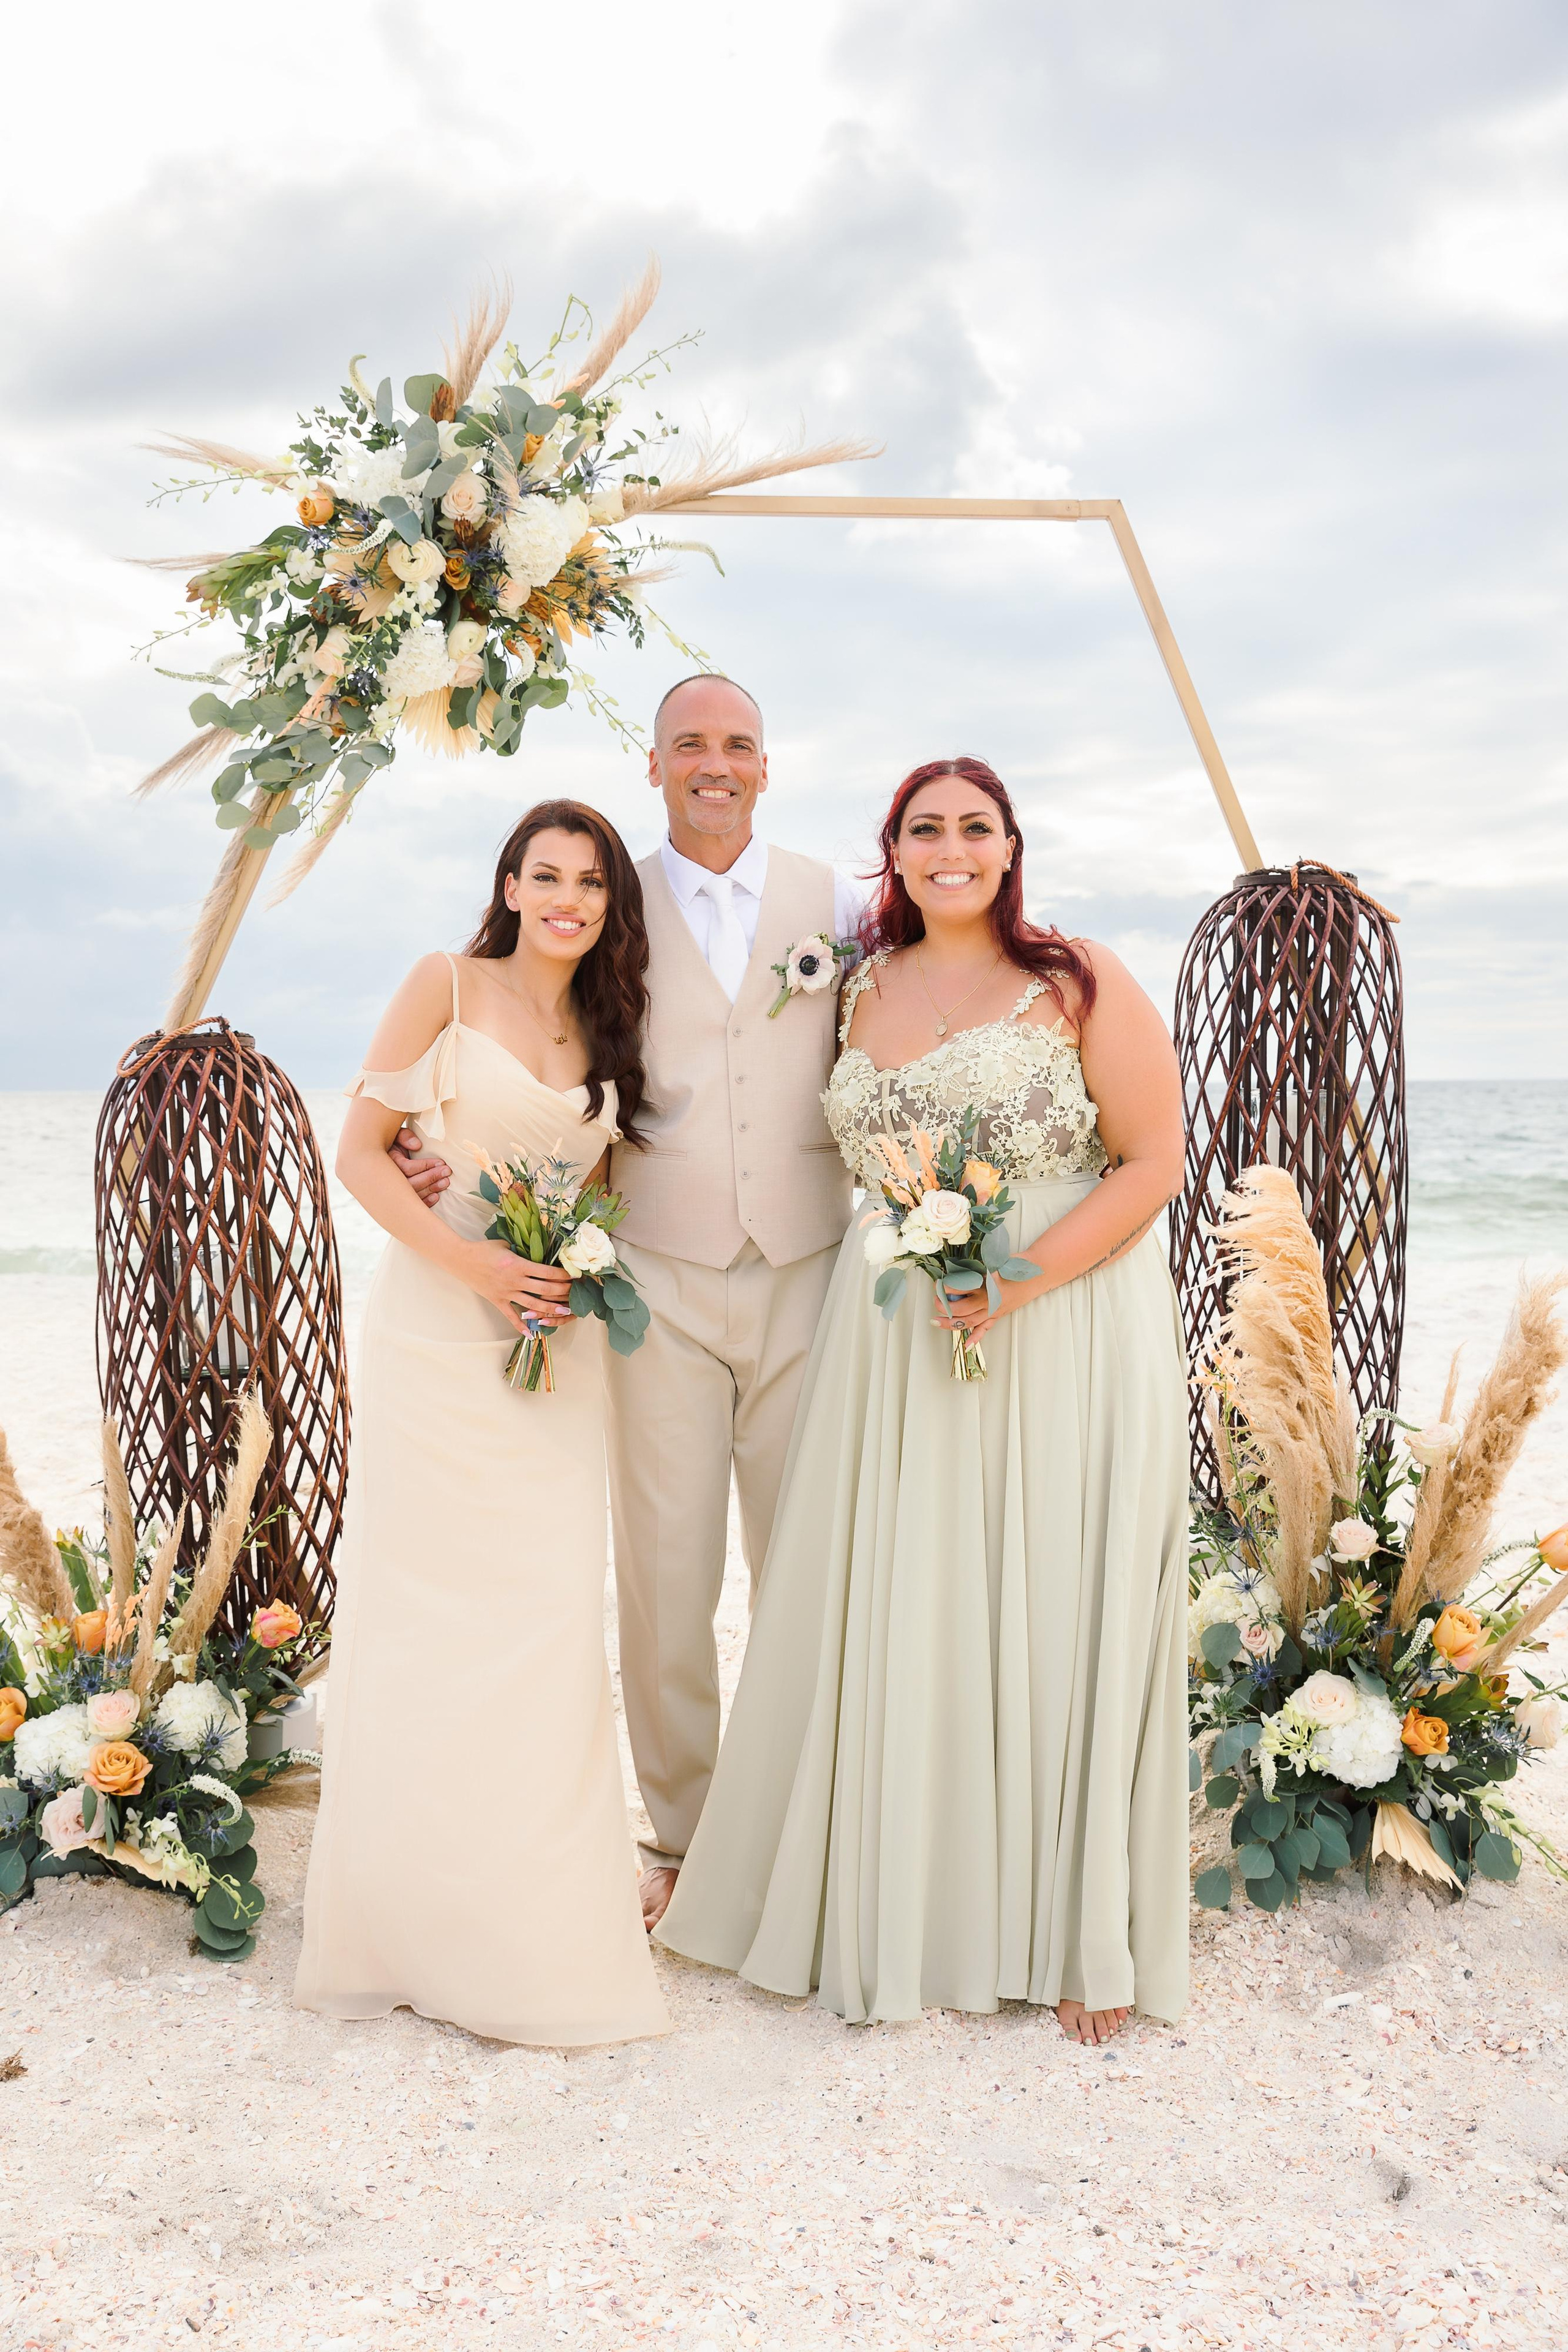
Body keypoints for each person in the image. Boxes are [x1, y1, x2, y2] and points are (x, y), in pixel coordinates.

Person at [657, 756, 1191, 2043]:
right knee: (918, 1608)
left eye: (973, 827)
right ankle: (901, 1905)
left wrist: (1014, 1282)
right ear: (889, 853)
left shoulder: (1076, 981)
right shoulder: (851, 987)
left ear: (1009, 849)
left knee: (1059, 1609)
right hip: (895, 1333)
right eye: (921, 829)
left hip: (1061, 1323)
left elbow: (1153, 1163)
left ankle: (1078, 1936)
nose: (948, 847)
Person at [394, 675, 865, 1933]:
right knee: (665, 1572)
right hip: (650, 1269)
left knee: (806, 1563)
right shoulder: (607, 903)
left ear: (767, 766)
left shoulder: (841, 902)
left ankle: (802, 1820)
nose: (716, 763)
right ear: (651, 766)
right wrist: (428, 1152)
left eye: (739, 745)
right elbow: (532, 1046)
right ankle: (685, 1835)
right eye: (690, 745)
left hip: (811, 1266)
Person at [295, 799, 667, 2048]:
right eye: (544, 874)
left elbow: (597, 1183)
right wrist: (476, 1268)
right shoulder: (443, 985)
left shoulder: (607, 1024)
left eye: (590, 884)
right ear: (507, 885)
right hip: (445, 1337)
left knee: (549, 1625)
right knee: (430, 1624)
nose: (566, 898)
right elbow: (359, 1152)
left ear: (611, 909)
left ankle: (532, 1929)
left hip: (556, 1352)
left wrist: (565, 1270)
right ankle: (409, 1930)